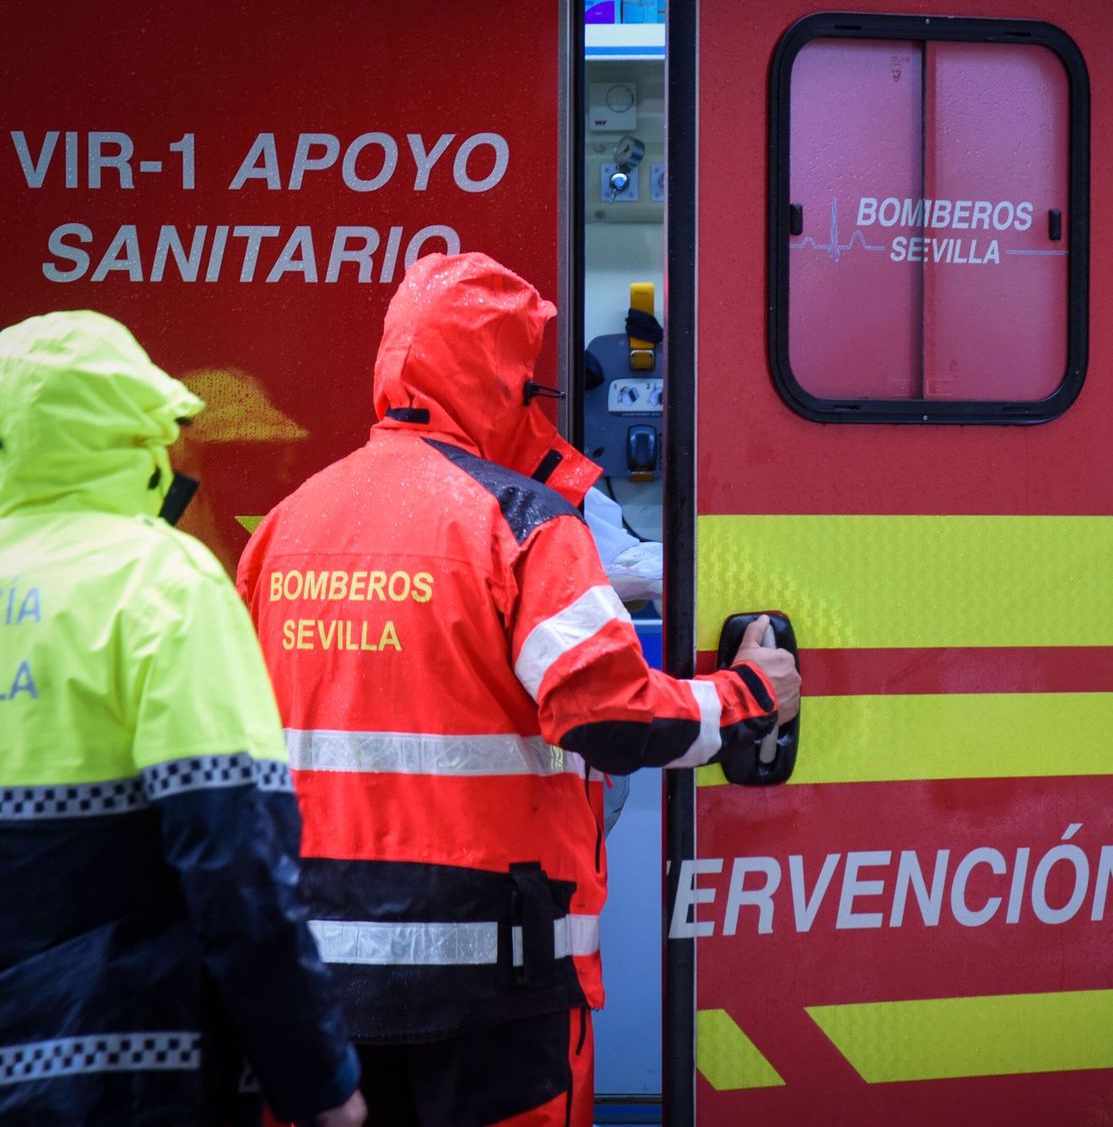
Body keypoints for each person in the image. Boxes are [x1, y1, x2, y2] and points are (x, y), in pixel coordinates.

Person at [235, 252, 800, 1126]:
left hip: (318, 968)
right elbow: (609, 719)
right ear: (497, 379)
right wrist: (744, 696)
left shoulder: (286, 525)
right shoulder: (525, 524)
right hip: (495, 971)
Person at [0, 312, 365, 1126]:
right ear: (145, 432)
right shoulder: (165, 586)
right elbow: (235, 858)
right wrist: (318, 1079)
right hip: (126, 1070)